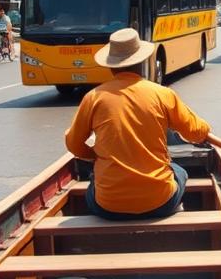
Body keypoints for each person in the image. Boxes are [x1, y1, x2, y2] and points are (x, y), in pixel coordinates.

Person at [65, 28, 211, 220]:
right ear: (142, 62)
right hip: (161, 203)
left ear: (110, 66)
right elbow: (196, 133)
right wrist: (206, 129)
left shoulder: (93, 98)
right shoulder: (162, 94)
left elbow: (74, 145)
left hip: (108, 207)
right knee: (179, 171)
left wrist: (97, 157)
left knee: (95, 180)